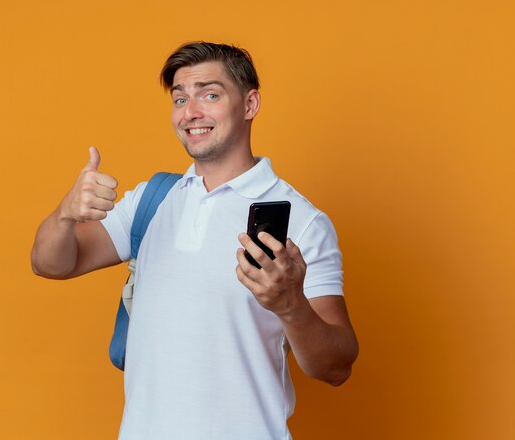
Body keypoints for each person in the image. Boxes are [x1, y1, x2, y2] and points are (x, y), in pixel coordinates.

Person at [31, 41, 358, 440]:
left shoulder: (303, 222)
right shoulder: (150, 200)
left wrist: (291, 307)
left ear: (250, 104)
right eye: (180, 98)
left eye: (210, 94)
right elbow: (51, 263)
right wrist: (66, 213)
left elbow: (337, 366)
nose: (191, 112)